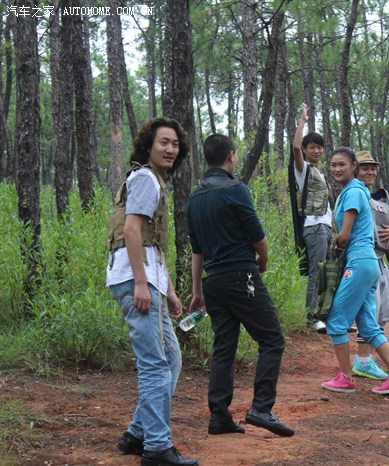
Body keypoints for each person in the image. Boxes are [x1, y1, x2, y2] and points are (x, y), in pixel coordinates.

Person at [186, 134, 294, 438]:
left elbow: (197, 251)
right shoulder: (236, 189)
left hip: (214, 283)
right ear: (231, 156)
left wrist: (197, 292)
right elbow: (257, 235)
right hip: (241, 276)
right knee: (272, 338)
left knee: (224, 348)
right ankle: (261, 407)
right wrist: (264, 261)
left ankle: (219, 417)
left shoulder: (194, 198)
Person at [106, 118, 198, 466]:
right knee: (154, 365)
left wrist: (170, 291)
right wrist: (143, 284)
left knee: (170, 359)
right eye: (163, 142)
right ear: (148, 146)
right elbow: (131, 230)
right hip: (136, 282)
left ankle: (137, 433)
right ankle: (157, 447)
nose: (170, 149)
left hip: (149, 281)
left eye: (175, 144)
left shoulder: (153, 181)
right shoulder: (145, 178)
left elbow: (152, 245)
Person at [320, 147, 389, 395]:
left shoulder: (352, 192)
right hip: (369, 263)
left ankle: (346, 378)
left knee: (337, 322)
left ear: (353, 168)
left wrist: (334, 248)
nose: (337, 169)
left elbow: (344, 235)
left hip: (358, 261)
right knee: (368, 325)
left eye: (342, 165)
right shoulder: (360, 192)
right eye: (333, 165)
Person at [351, 151, 389, 381]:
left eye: (373, 168)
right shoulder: (354, 194)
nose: (370, 172)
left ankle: (366, 358)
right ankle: (363, 360)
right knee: (369, 312)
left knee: (384, 311)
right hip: (365, 260)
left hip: (381, 262)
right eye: (365, 168)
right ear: (355, 169)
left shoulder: (380, 202)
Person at [293, 104, 334, 328]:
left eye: (319, 147)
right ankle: (312, 317)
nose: (316, 151)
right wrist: (303, 121)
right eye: (312, 147)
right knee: (316, 272)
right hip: (314, 227)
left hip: (325, 227)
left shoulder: (319, 172)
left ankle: (323, 314)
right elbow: (295, 147)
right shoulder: (303, 170)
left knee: (326, 273)